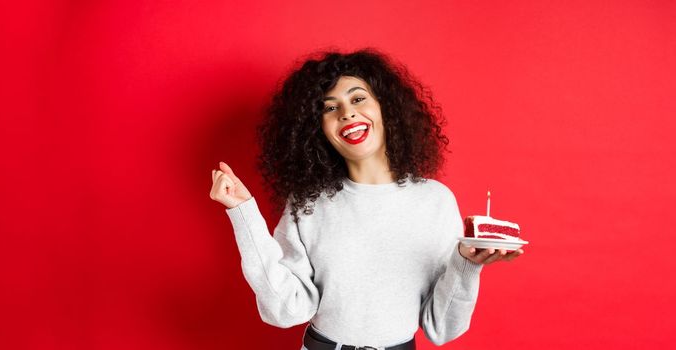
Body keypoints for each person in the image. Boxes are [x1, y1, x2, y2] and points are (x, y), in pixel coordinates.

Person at [209, 49, 523, 350]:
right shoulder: (309, 202)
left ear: (387, 108)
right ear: (318, 129)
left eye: (358, 98)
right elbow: (286, 309)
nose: (347, 113)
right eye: (330, 108)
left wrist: (467, 264)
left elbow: (441, 327)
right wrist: (243, 211)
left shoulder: (435, 201)